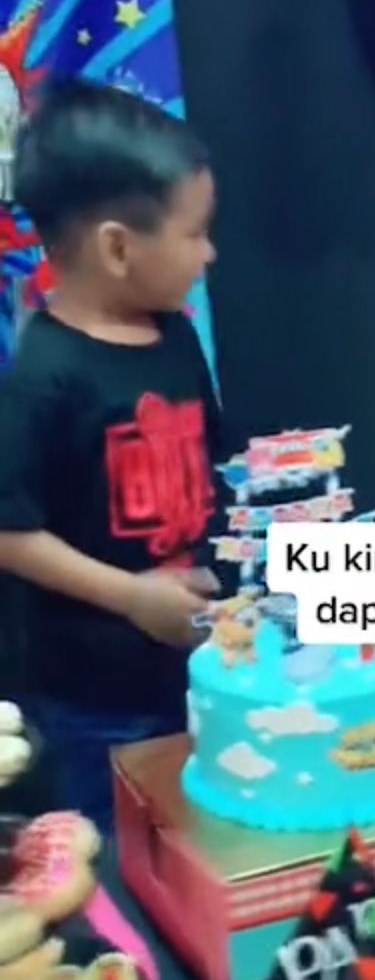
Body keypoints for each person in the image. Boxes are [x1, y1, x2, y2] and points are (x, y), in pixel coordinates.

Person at [0, 79, 222, 840]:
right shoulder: (44, 375)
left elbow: (209, 468)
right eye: (195, 233)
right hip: (93, 701)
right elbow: (8, 532)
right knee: (120, 856)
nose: (209, 253)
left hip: (190, 671)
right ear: (119, 248)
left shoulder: (177, 334)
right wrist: (133, 597)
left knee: (196, 840)